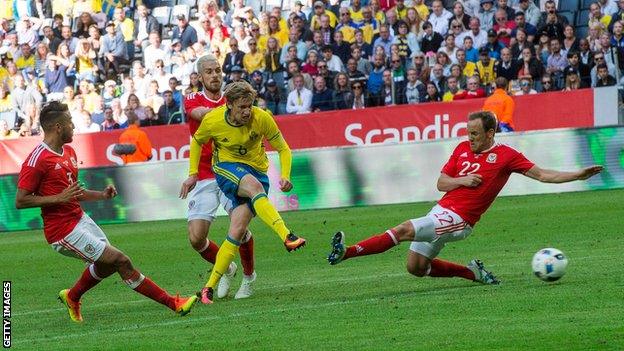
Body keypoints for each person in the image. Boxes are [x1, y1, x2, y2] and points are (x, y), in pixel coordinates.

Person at [327, 111, 603, 285]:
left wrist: (577, 175)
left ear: (490, 133)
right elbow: (441, 182)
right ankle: (472, 273)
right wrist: (462, 180)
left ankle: (346, 253)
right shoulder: (461, 149)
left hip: (460, 220)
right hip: (440, 211)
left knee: (403, 229)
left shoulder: (506, 156)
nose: (469, 138)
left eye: (475, 134)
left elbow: (543, 175)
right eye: (468, 133)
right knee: (415, 268)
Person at [15, 101, 197, 323]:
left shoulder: (69, 152)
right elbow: (21, 200)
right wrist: (58, 198)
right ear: (58, 127)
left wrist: (102, 195)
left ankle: (72, 297)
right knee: (120, 260)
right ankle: (173, 303)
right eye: (70, 122)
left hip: (79, 219)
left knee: (108, 264)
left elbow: (75, 193)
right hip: (61, 231)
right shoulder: (37, 160)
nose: (74, 126)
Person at [188, 80, 306, 304]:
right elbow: (197, 141)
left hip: (257, 171)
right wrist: (193, 172)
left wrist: (286, 176)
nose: (246, 111)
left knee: (237, 230)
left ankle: (211, 286)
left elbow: (283, 148)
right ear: (229, 104)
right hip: (226, 168)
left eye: (249, 105)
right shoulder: (213, 120)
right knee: (254, 187)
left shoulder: (261, 117)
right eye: (241, 106)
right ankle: (287, 236)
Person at [179, 55, 257, 300]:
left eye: (218, 70)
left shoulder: (235, 101)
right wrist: (229, 108)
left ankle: (248, 277)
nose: (215, 75)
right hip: (203, 175)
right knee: (196, 237)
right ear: (200, 77)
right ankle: (226, 268)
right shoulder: (192, 98)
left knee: (240, 229)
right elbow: (201, 114)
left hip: (230, 171)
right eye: (209, 71)